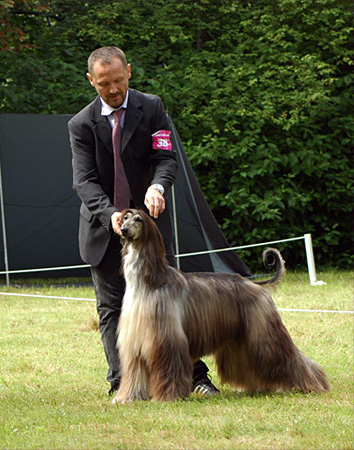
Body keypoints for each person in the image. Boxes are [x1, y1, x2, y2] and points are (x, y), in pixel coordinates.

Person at [68, 46, 219, 397]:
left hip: (151, 228)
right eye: (104, 83)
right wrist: (111, 213)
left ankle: (195, 378)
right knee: (112, 308)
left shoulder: (151, 108)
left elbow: (166, 157)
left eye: (119, 80)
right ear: (92, 81)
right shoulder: (80, 124)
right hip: (105, 229)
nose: (113, 89)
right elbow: (84, 181)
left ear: (129, 72)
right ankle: (123, 383)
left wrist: (157, 185)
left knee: (171, 305)